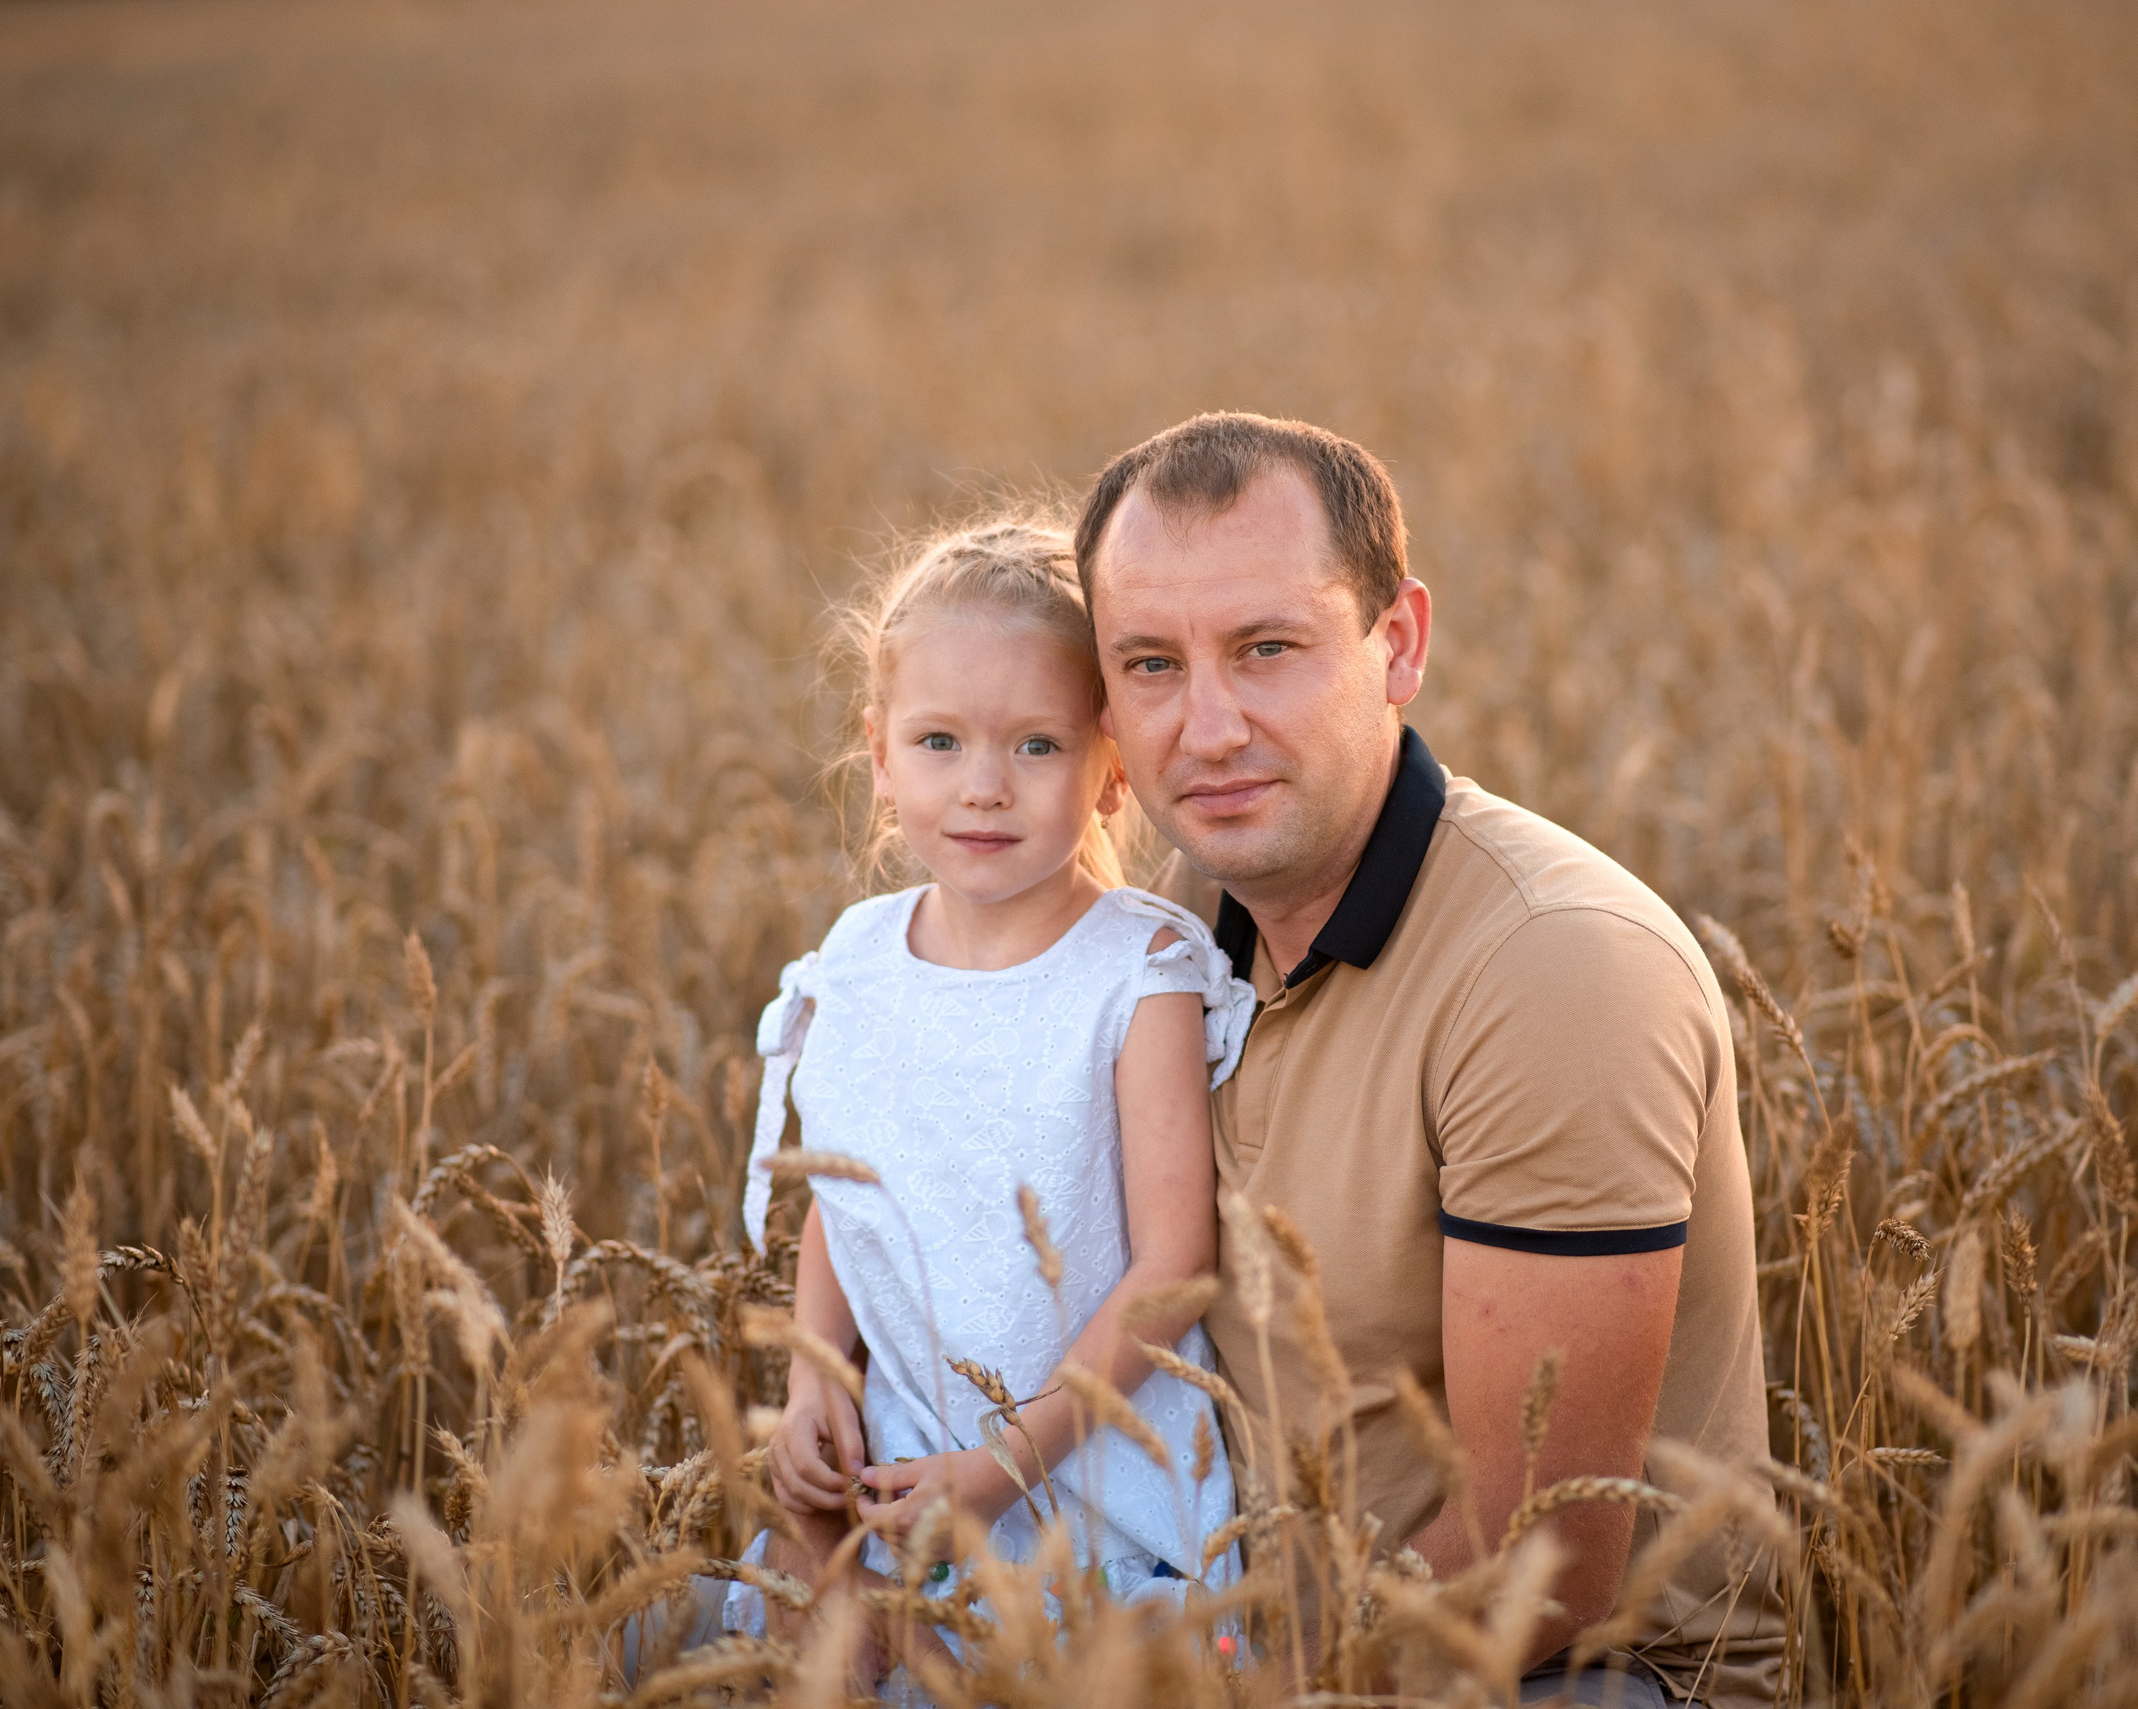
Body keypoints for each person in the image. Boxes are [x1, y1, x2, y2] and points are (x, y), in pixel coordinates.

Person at [1076, 414, 1786, 1708]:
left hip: (1579, 1679)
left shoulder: (1553, 970)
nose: (1209, 724)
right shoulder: (1176, 933)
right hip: (1251, 1642)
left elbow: (1545, 1560)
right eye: (1151, 665)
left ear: (1396, 643)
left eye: (1267, 650)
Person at [727, 519, 1247, 1688]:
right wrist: (817, 1369)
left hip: (1094, 1481)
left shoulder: (1138, 971)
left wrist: (1009, 1458)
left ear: (1111, 765)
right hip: (914, 1475)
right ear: (878, 753)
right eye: (939, 740)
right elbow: (848, 1187)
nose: (982, 785)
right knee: (813, 1647)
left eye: (1035, 744)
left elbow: (1173, 1262)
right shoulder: (857, 958)